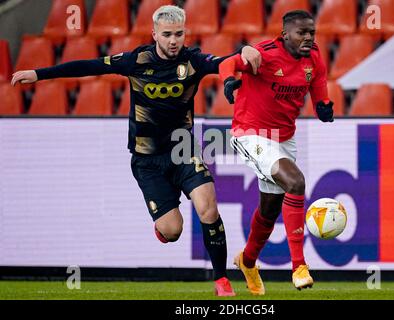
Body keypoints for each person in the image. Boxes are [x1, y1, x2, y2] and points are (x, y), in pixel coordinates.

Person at [11, 5, 261, 297]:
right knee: (173, 230)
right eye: (167, 34)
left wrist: (245, 50)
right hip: (147, 160)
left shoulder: (192, 61)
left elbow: (224, 62)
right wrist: (38, 74)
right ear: (154, 33)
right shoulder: (136, 61)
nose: (173, 40)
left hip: (182, 150)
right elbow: (90, 66)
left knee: (208, 208)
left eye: (178, 34)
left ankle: (221, 281)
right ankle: (163, 227)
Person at [218, 10, 334, 295]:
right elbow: (228, 63)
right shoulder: (265, 54)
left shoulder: (314, 57)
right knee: (295, 181)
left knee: (270, 210)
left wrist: (324, 106)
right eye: (301, 33)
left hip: (285, 138)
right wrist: (230, 82)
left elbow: (318, 86)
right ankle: (299, 266)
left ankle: (247, 261)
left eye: (312, 33)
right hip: (251, 133)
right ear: (285, 35)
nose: (308, 38)